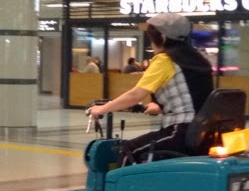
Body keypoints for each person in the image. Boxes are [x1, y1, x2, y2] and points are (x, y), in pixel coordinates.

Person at [88, 13, 212, 166]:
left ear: (163, 37)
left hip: (180, 131)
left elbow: (135, 95)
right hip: (202, 132)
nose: (152, 45)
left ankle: (120, 183)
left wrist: (102, 109)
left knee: (129, 149)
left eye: (152, 39)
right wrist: (161, 107)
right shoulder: (198, 59)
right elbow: (193, 97)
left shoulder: (164, 60)